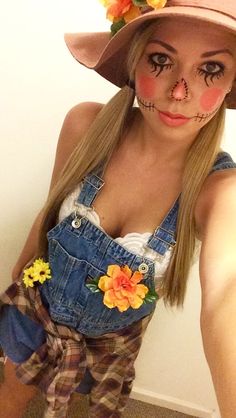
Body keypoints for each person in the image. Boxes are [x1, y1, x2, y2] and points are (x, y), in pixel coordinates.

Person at [0, 0, 236, 417]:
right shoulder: (85, 127)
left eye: (210, 69)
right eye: (161, 60)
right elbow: (49, 213)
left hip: (107, 348)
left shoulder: (218, 189)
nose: (180, 92)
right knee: (9, 397)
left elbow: (225, 296)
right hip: (33, 316)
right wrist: (16, 287)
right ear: (133, 62)